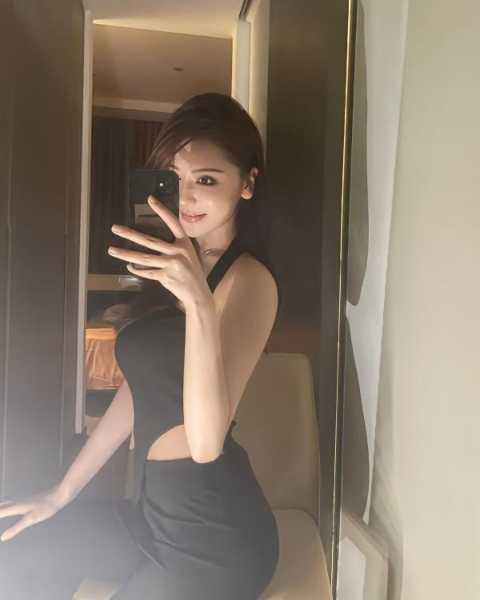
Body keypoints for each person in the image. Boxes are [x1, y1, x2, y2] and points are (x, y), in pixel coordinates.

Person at [0, 92, 281, 599]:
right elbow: (139, 392)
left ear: (247, 183)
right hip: (150, 516)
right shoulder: (177, 267)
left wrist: (199, 304)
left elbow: (206, 444)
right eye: (174, 179)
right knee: (17, 546)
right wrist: (63, 491)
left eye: (207, 180)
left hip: (214, 540)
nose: (187, 197)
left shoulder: (250, 281)